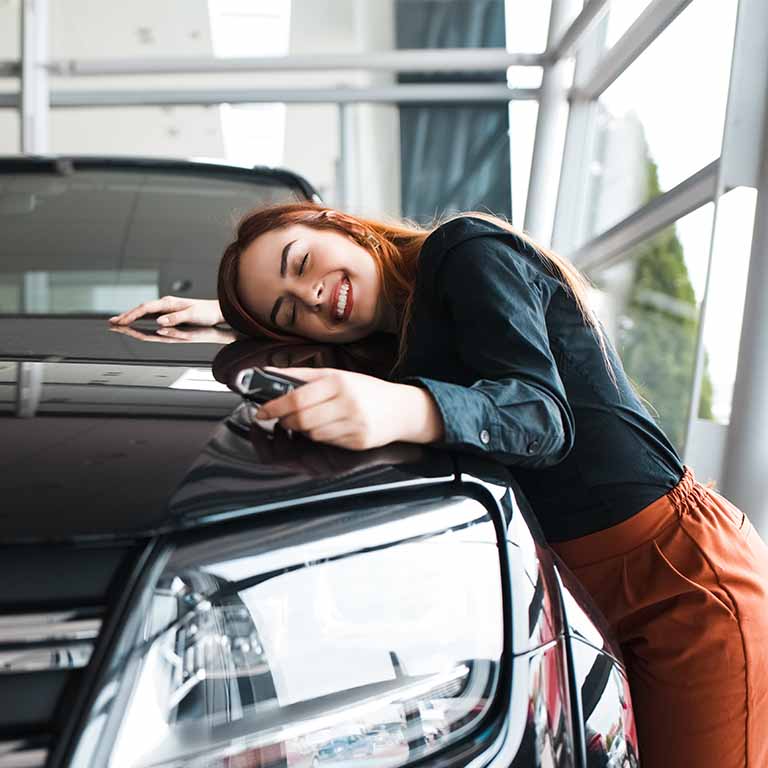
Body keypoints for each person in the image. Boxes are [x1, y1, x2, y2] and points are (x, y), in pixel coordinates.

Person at [110, 202, 768, 767]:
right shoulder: (398, 344)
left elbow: (540, 417)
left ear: (336, 223)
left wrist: (406, 410)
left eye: (301, 262)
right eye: (288, 309)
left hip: (678, 578)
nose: (311, 295)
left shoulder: (465, 249)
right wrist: (223, 316)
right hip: (582, 596)